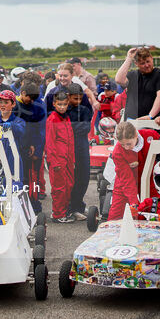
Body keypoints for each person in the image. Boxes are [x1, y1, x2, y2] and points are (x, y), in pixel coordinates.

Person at [14, 81, 46, 212]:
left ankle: (31, 203)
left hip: (28, 148)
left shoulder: (34, 106)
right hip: (15, 147)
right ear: (22, 93)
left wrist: (35, 146)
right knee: (17, 177)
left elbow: (36, 128)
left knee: (29, 178)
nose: (31, 101)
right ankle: (18, 205)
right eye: (30, 98)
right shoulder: (13, 105)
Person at [114, 47, 160, 121]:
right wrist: (129, 58)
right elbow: (119, 79)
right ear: (136, 63)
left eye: (148, 61)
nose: (146, 65)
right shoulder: (133, 75)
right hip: (131, 119)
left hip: (152, 120)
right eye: (142, 63)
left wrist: (150, 116)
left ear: (152, 58)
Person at [46, 91, 75, 223]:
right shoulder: (52, 119)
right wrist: (54, 161)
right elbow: (50, 142)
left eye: (64, 104)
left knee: (68, 185)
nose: (62, 107)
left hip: (68, 159)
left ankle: (63, 211)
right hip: (58, 160)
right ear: (54, 104)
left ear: (68, 104)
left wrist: (72, 160)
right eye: (59, 104)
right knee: (59, 188)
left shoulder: (66, 118)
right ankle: (58, 214)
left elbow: (70, 140)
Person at [107, 122, 142, 220]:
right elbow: (126, 179)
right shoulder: (118, 152)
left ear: (136, 135)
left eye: (128, 144)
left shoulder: (148, 136)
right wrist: (133, 203)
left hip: (146, 179)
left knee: (147, 212)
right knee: (115, 215)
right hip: (124, 181)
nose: (126, 147)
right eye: (123, 144)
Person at [67, 83, 92, 220]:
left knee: (84, 176)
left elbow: (86, 128)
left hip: (82, 145)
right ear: (68, 97)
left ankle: (78, 205)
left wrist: (72, 127)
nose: (77, 102)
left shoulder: (85, 110)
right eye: (74, 98)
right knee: (71, 178)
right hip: (68, 147)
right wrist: (74, 127)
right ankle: (71, 207)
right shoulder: (62, 109)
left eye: (80, 99)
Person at [0, 89, 26, 183]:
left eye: (6, 102)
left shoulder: (19, 121)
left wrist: (12, 126)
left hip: (13, 159)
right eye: (0, 102)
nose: (2, 105)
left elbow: (21, 131)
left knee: (15, 186)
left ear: (13, 104)